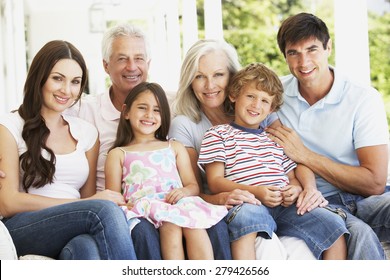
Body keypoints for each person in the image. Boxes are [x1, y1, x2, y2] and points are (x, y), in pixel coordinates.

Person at [168, 39, 325, 259]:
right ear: (190, 81)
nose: (209, 85)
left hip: (275, 204)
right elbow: (196, 192)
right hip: (227, 208)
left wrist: (306, 189)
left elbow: (289, 158)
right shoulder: (184, 125)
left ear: (232, 78)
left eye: (218, 75)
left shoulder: (256, 111)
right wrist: (226, 197)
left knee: (312, 241)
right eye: (199, 76)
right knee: (263, 242)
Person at [266, 12, 390, 259]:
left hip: (366, 199)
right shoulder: (273, 97)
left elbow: (375, 182)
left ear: (328, 47)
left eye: (312, 50)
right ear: (285, 56)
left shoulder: (362, 98)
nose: (304, 62)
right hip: (318, 203)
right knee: (360, 233)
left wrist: (305, 155)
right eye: (294, 53)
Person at [0, 40, 137, 260]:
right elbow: (8, 203)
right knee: (106, 210)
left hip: (74, 223)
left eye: (75, 82)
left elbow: (88, 197)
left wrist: (86, 205)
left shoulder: (87, 133)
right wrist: (83, 205)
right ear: (39, 77)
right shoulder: (10, 126)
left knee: (86, 248)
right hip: (24, 226)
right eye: (57, 78)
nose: (67, 90)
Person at [198, 62, 348, 260]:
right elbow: (215, 182)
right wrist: (256, 192)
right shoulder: (218, 134)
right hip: (249, 202)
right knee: (246, 218)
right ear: (234, 96)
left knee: (333, 225)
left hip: (285, 206)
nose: (256, 105)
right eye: (250, 96)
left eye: (264, 101)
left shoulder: (274, 138)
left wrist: (294, 190)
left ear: (271, 109)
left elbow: (292, 178)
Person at [105, 82, 227, 259]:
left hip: (175, 202)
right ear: (126, 112)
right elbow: (113, 198)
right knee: (170, 226)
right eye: (142, 108)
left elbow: (193, 186)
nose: (149, 115)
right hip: (145, 206)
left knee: (195, 226)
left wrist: (183, 192)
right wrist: (126, 205)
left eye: (157, 110)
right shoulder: (118, 154)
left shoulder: (174, 147)